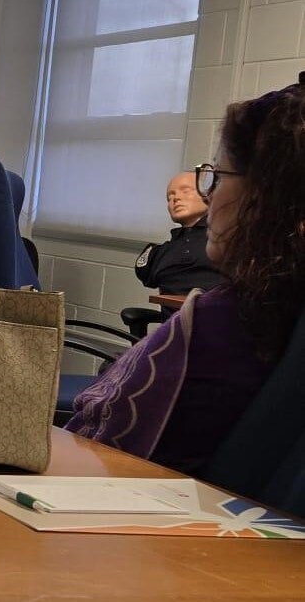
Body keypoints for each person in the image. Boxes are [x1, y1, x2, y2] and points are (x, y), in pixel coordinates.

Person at [66, 75, 305, 474]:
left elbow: (99, 450)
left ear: (262, 195)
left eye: (218, 176)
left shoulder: (217, 324)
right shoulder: (284, 311)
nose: (209, 195)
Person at [133, 170, 224, 295]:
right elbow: (147, 273)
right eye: (169, 197)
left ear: (209, 194)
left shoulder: (227, 240)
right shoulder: (160, 253)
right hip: (173, 314)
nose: (176, 198)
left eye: (186, 191)